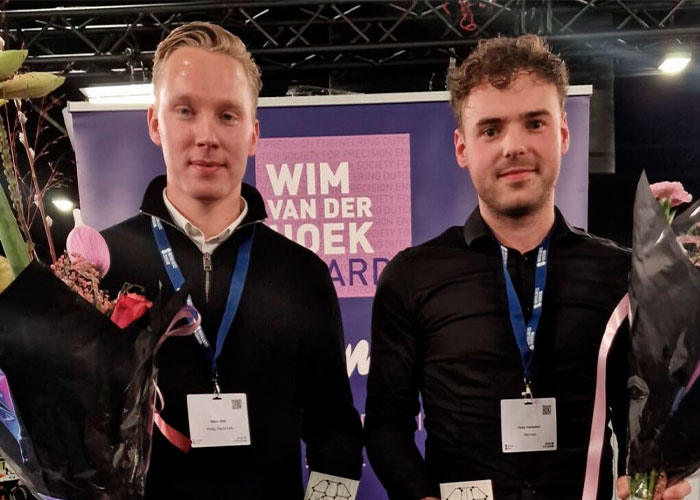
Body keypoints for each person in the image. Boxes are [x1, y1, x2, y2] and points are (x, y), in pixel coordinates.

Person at [364, 35, 690, 500]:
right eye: (491, 129)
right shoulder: (412, 277)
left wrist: (650, 479)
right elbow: (385, 426)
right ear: (462, 147)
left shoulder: (621, 275)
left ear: (562, 134)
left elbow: (640, 412)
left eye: (534, 123)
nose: (513, 146)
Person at [101, 21, 362, 499]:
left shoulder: (302, 274)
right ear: (156, 123)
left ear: (253, 133)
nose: (206, 136)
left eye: (227, 115)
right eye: (185, 110)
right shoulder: (101, 266)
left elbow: (336, 432)